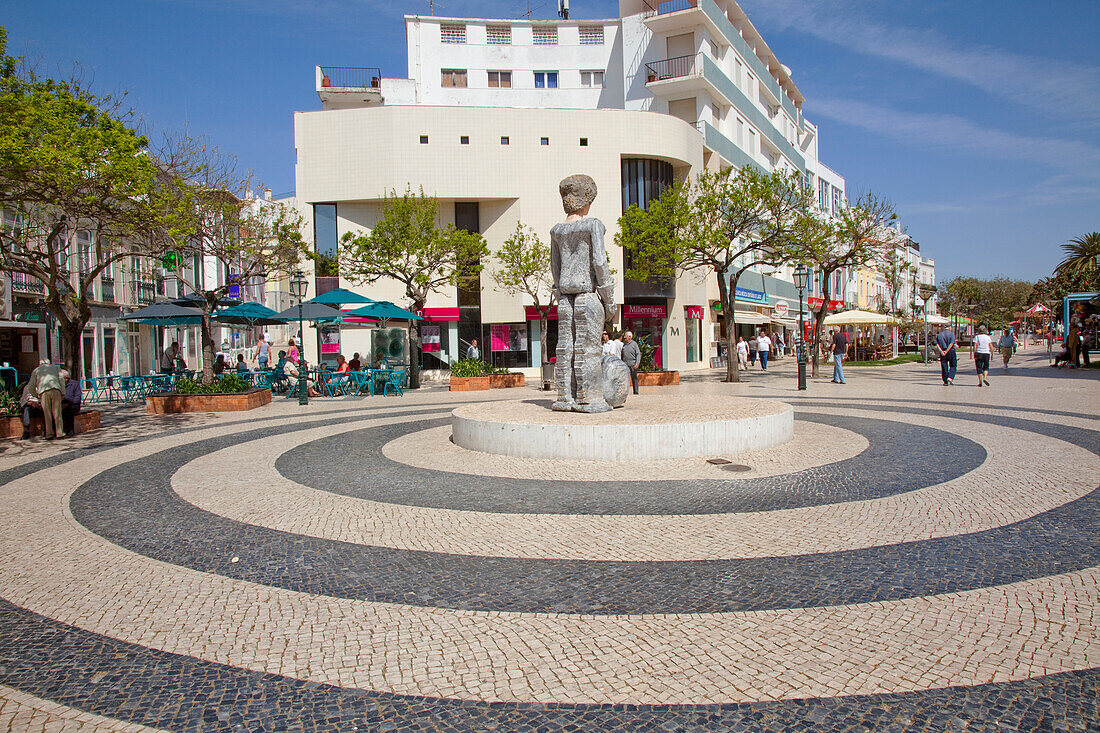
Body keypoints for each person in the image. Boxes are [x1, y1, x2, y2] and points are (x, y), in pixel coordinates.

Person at [33, 360, 65, 440]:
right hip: (55, 389)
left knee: (47, 413)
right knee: (57, 412)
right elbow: (61, 379)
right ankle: (60, 433)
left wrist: (36, 395)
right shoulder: (56, 368)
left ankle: (49, 434)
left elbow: (31, 385)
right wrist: (63, 392)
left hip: (43, 391)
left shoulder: (36, 370)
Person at [60, 369, 82, 437]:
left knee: (68, 411)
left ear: (66, 378)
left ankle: (69, 431)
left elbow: (77, 399)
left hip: (73, 404)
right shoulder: (59, 385)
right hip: (62, 404)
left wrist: (68, 404)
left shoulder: (75, 384)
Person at [621, 330, 641, 395]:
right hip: (626, 364)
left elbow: (638, 354)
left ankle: (636, 391)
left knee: (634, 378)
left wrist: (637, 363)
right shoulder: (624, 344)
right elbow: (622, 354)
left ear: (629, 337)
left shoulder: (634, 344)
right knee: (626, 379)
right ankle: (625, 392)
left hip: (633, 364)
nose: (624, 337)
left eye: (625, 336)